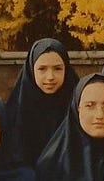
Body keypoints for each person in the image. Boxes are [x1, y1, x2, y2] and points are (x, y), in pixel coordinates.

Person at [6, 38, 79, 166]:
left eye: (57, 69)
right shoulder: (17, 110)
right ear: (31, 69)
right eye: (42, 69)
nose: (50, 77)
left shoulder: (78, 106)